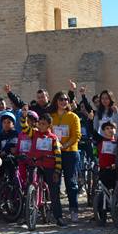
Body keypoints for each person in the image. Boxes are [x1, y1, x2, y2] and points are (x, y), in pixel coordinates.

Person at [24, 112, 65, 226]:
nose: (41, 126)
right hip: (35, 163)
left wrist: (57, 170)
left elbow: (58, 155)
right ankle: (28, 213)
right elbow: (25, 128)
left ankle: (58, 217)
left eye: (43, 124)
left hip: (49, 166)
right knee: (30, 186)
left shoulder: (53, 138)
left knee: (54, 192)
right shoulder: (34, 133)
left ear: (49, 125)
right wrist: (23, 117)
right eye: (39, 124)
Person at [49, 90, 82, 222]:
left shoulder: (73, 116)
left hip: (70, 152)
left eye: (66, 100)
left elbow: (77, 135)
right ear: (56, 101)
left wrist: (65, 145)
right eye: (61, 99)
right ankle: (57, 212)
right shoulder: (51, 117)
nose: (64, 102)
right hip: (55, 153)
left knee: (71, 182)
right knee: (55, 183)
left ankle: (73, 209)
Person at [87, 120, 118, 223]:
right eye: (107, 129)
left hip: (115, 170)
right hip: (103, 170)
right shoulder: (100, 140)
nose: (110, 130)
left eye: (111, 128)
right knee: (103, 192)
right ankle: (101, 213)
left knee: (117, 192)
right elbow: (92, 131)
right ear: (103, 131)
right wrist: (90, 120)